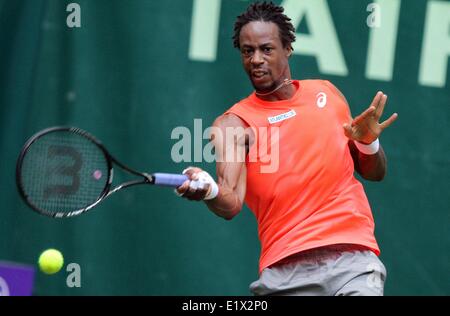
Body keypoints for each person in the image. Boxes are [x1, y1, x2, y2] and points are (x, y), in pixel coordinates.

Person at [176, 1, 398, 296]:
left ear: (288, 48)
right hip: (286, 274)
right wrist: (209, 191)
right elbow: (230, 203)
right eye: (247, 51)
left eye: (266, 49)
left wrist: (367, 142)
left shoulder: (327, 94)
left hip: (353, 264)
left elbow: (374, 172)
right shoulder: (233, 125)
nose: (256, 59)